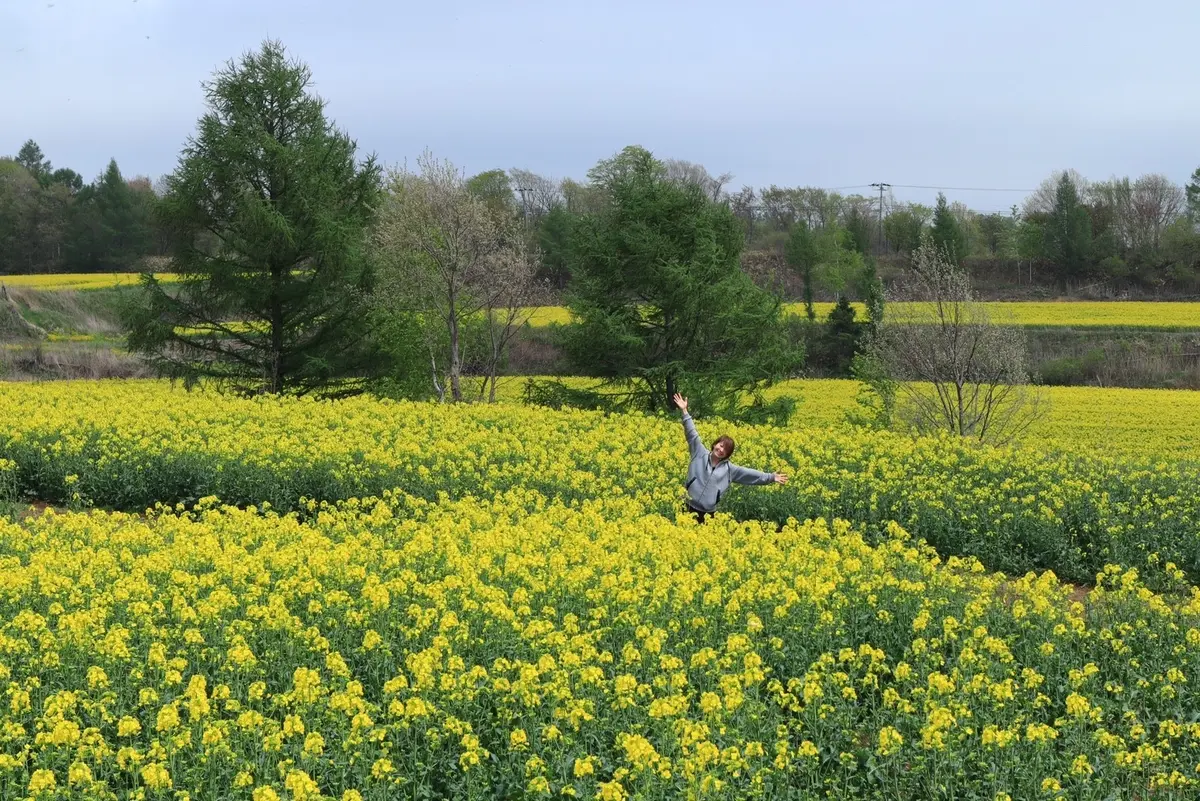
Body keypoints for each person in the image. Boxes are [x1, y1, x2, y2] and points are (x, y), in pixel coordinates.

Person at [673, 392, 788, 523]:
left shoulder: (729, 470)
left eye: (725, 450)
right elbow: (691, 433)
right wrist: (684, 411)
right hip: (686, 506)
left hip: (707, 514)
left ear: (728, 454)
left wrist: (771, 477)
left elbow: (750, 475)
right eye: (720, 445)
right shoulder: (699, 453)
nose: (721, 450)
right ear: (715, 444)